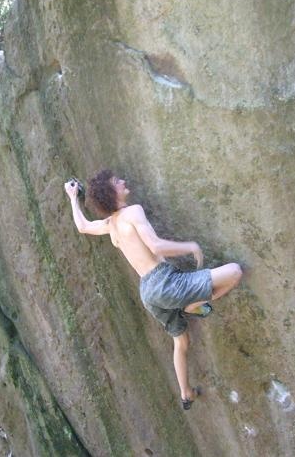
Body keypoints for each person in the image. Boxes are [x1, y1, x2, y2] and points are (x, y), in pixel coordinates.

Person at [64, 169, 242, 410]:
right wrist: (190, 246)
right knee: (235, 272)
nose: (123, 181)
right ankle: (191, 305)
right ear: (110, 192)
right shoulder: (132, 212)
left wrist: (73, 197)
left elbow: (83, 226)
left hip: (148, 293)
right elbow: (156, 245)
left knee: (181, 343)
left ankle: (186, 393)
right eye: (117, 181)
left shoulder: (111, 225)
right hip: (164, 282)